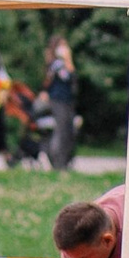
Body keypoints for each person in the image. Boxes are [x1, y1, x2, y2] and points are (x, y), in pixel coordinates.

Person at [39, 35, 81, 171]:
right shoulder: (56, 65)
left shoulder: (65, 63)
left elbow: (73, 78)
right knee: (61, 131)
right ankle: (58, 163)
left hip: (67, 101)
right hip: (58, 101)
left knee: (69, 131)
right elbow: (63, 78)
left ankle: (64, 162)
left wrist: (69, 60)